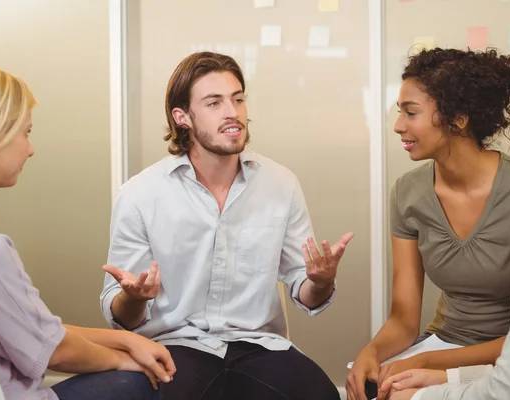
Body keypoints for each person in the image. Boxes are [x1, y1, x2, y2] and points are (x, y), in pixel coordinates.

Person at [100, 51, 353, 400]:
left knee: (322, 395)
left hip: (259, 345)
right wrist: (133, 299)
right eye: (214, 102)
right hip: (175, 346)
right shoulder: (140, 194)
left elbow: (305, 292)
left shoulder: (281, 183)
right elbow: (123, 317)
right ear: (182, 117)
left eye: (237, 99)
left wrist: (321, 281)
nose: (233, 112)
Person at [0, 61, 176, 400]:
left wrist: (127, 339)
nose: (30, 148)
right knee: (141, 382)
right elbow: (54, 351)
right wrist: (121, 360)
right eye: (25, 133)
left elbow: (34, 329)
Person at [346, 47, 510, 400]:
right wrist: (373, 352)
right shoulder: (407, 193)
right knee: (372, 387)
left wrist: (433, 362)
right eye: (400, 113)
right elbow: (405, 319)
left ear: (458, 119)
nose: (398, 126)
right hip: (442, 342)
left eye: (411, 113)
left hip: (508, 357)